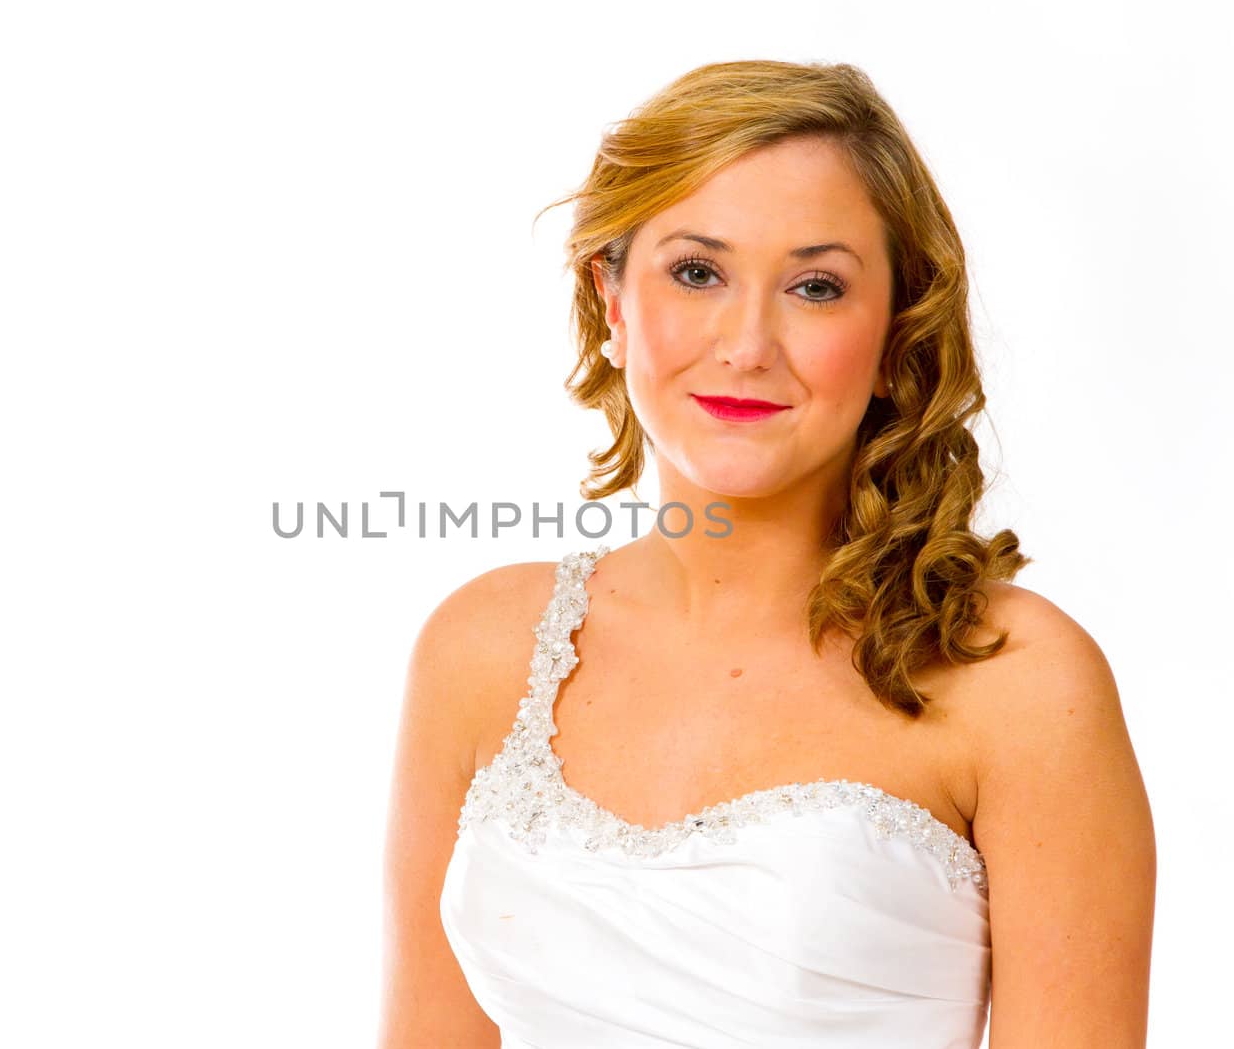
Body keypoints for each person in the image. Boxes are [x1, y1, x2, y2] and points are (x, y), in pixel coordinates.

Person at [378, 59, 1155, 1047]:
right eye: (696, 271)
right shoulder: (482, 645)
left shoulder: (1017, 681)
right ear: (611, 301)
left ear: (894, 329)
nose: (747, 343)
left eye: (814, 286)